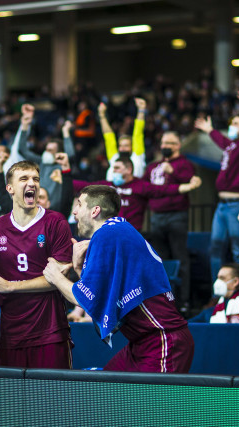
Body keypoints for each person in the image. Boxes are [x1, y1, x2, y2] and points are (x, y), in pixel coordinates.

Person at [43, 185, 194, 373]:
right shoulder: (118, 229)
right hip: (142, 343)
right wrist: (80, 269)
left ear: (95, 210)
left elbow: (84, 298)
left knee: (157, 403)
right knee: (108, 390)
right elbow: (102, 297)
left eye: (79, 204)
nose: (74, 212)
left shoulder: (106, 234)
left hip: (162, 339)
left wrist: (55, 277)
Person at [0, 160, 74, 369]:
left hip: (50, 331)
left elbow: (58, 279)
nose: (32, 183)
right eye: (24, 179)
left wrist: (11, 286)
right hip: (11, 335)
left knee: (55, 398)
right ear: (9, 188)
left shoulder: (56, 222)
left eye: (35, 179)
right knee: (15, 400)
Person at [194, 87, 239, 282]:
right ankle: (219, 292)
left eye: (237, 123)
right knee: (215, 247)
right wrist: (209, 130)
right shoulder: (232, 146)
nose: (232, 125)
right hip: (222, 206)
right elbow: (222, 140)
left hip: (237, 205)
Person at [74, 157, 202, 232]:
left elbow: (163, 190)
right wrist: (64, 179)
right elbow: (85, 186)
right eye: (114, 168)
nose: (114, 171)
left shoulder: (140, 185)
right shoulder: (108, 185)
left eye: (117, 168)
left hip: (132, 234)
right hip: (109, 233)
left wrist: (188, 186)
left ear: (129, 169)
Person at [144, 131, 196, 308]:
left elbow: (192, 184)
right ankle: (163, 300)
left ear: (178, 145)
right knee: (159, 260)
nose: (165, 146)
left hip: (176, 215)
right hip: (156, 216)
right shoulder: (153, 166)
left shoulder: (185, 164)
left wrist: (173, 172)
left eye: (170, 143)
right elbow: (144, 186)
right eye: (163, 143)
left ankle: (184, 301)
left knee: (180, 258)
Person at [17, 104, 76, 214]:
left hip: (57, 211)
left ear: (58, 153)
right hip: (38, 208)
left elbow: (71, 155)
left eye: (51, 150)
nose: (46, 152)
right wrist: (25, 126)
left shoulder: (62, 165)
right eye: (46, 149)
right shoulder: (40, 162)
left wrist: (65, 132)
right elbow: (22, 149)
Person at [99, 98, 147, 180]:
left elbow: (138, 133)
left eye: (126, 145)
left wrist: (141, 110)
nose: (122, 148)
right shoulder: (114, 158)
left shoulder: (137, 156)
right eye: (120, 146)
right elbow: (109, 137)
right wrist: (102, 115)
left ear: (132, 147)